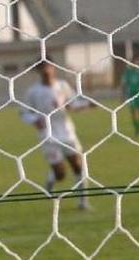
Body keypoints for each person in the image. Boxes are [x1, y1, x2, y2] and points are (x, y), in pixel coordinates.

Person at [20, 58, 95, 210]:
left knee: (78, 165)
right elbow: (23, 113)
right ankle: (50, 181)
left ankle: (83, 202)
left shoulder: (63, 86)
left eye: (48, 66)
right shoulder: (33, 92)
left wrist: (87, 105)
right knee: (61, 174)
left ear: (53, 67)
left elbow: (73, 104)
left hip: (67, 132)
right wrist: (35, 120)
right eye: (42, 67)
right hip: (47, 135)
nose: (46, 70)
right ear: (38, 71)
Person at [121, 53, 139, 138]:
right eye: (133, 62)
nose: (134, 63)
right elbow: (124, 84)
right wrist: (122, 96)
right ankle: (137, 130)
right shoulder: (127, 72)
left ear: (138, 62)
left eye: (136, 62)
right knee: (133, 113)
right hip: (131, 95)